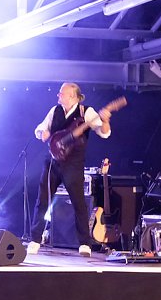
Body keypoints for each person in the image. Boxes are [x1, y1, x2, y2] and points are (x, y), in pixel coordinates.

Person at [27, 82, 111, 257]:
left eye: (61, 93)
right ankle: (35, 239)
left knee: (79, 203)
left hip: (73, 164)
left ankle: (84, 243)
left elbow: (104, 133)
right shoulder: (55, 110)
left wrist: (105, 120)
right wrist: (43, 133)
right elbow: (42, 127)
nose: (58, 96)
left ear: (72, 96)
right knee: (43, 199)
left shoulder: (86, 112)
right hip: (52, 161)